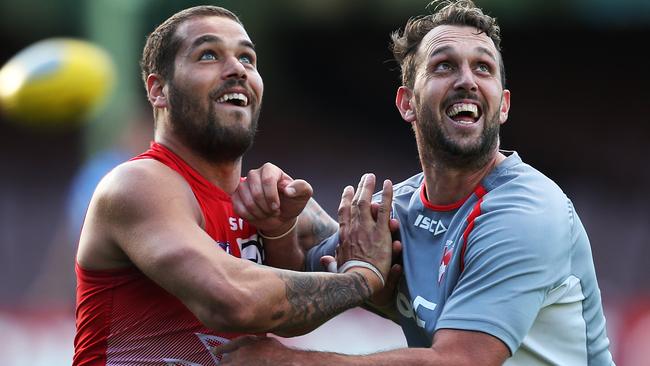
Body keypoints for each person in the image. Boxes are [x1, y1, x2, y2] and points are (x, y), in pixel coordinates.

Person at [213, 0, 615, 364]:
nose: (467, 80)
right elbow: (301, 290)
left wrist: (290, 362)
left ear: (503, 104)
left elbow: (460, 361)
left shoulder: (528, 211)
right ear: (407, 103)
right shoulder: (401, 209)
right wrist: (280, 225)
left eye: (483, 68)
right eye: (443, 65)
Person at [72, 6, 399, 365]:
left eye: (247, 58)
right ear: (158, 90)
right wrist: (361, 280)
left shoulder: (277, 203)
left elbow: (397, 291)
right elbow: (233, 302)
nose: (237, 69)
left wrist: (280, 234)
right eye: (208, 55)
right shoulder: (137, 185)